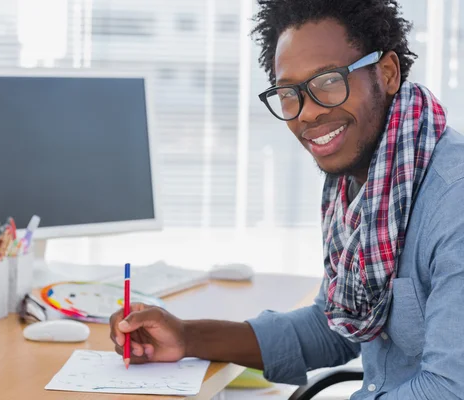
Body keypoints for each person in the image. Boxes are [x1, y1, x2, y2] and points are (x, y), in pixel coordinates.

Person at [109, 0, 464, 399]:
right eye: (288, 92)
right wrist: (186, 338)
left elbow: (449, 389)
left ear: (387, 73)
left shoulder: (452, 201)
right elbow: (335, 326)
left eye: (329, 81)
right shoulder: (369, 182)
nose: (307, 113)